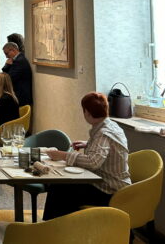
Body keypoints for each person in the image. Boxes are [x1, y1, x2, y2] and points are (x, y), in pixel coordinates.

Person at [43, 92, 131, 220]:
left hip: (109, 190)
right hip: (120, 185)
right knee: (63, 186)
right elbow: (107, 148)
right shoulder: (111, 125)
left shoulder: (103, 133)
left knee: (60, 189)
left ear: (87, 113)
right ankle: (60, 225)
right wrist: (88, 144)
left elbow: (93, 162)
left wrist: (63, 155)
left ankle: (56, 226)